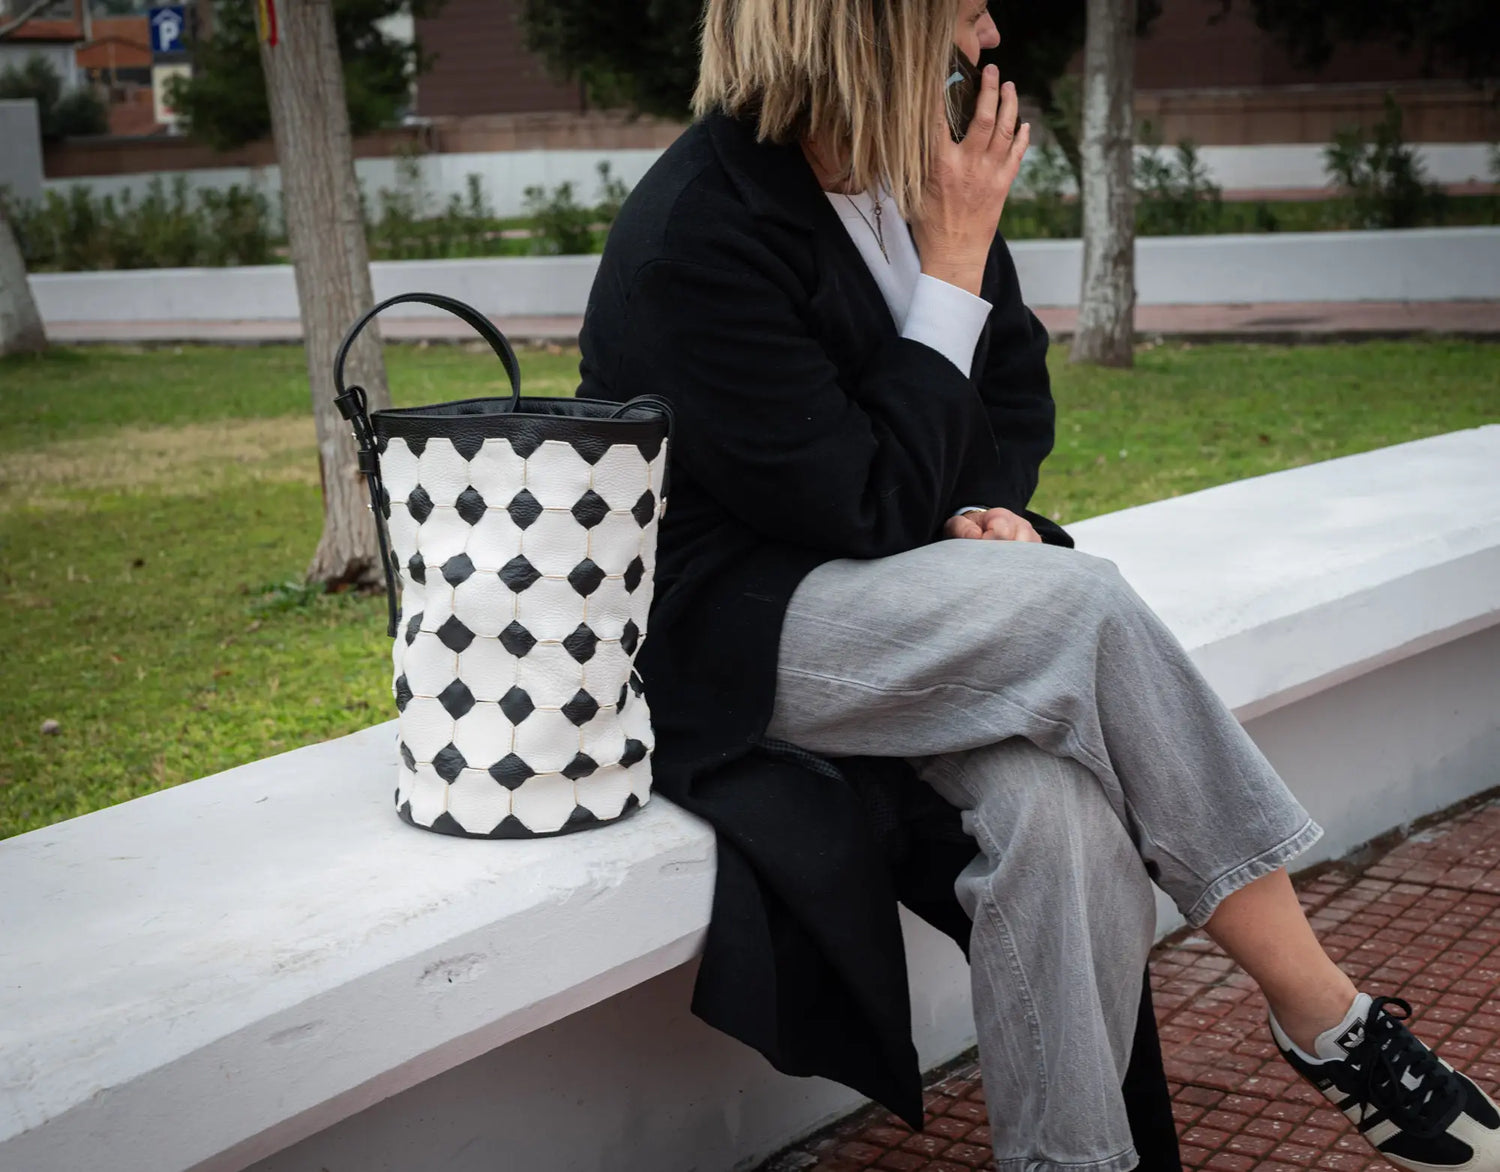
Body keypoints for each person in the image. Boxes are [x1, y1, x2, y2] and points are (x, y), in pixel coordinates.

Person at [578, 1, 1500, 1169]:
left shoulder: (917, 174)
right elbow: (850, 508)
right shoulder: (700, 233)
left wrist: (982, 506)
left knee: (1059, 817)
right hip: (741, 629)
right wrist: (952, 268)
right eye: (963, 7)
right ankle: (1329, 1019)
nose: (991, 31)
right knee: (1085, 604)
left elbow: (1012, 403)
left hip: (911, 596)